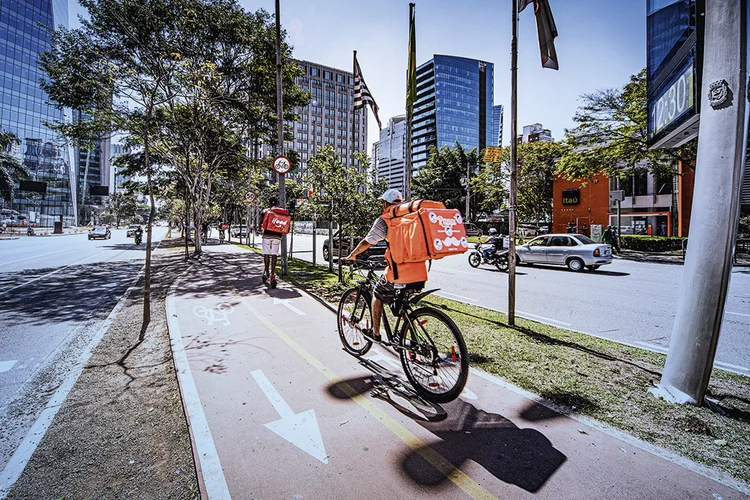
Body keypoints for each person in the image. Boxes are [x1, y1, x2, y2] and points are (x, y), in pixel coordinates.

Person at [344, 188, 426, 342]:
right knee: (402, 304)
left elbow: (367, 241)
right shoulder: (411, 217)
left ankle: (375, 334)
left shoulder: (386, 219)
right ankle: (415, 341)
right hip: (420, 272)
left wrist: (353, 255)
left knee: (377, 292)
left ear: (384, 203)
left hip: (399, 273)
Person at [259, 205, 282, 283]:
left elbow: (260, 222)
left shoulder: (265, 211)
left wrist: (259, 230)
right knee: (274, 254)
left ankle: (266, 272)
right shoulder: (281, 211)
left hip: (267, 235)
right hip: (277, 236)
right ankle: (272, 274)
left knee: (266, 254)